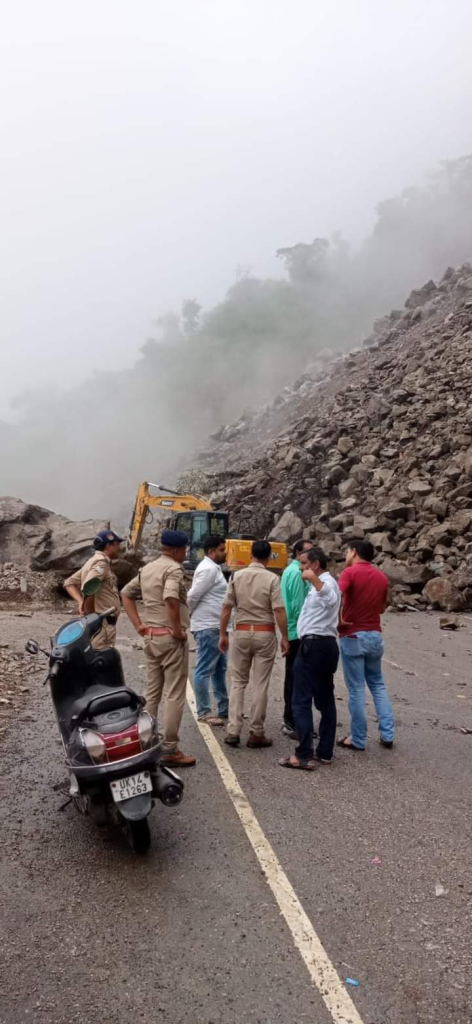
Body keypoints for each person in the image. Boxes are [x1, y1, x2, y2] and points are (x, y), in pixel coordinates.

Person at [121, 528, 196, 768]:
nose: (185, 553)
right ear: (176, 550)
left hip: (151, 638)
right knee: (174, 694)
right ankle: (170, 749)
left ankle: (146, 741)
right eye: (184, 549)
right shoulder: (173, 569)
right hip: (170, 640)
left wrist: (139, 625)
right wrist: (177, 630)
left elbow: (125, 593)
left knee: (152, 692)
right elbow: (171, 598)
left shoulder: (148, 569)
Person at [220, 540, 289, 748]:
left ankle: (233, 729)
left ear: (251, 555)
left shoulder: (236, 576)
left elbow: (226, 607)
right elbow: (278, 609)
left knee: (238, 682)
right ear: (269, 558)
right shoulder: (272, 579)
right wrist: (285, 637)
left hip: (241, 632)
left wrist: (222, 633)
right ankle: (256, 731)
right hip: (264, 633)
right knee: (260, 683)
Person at [279, 546, 340, 771]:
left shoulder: (326, 583)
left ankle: (303, 754)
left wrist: (313, 579)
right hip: (322, 644)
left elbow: (330, 599)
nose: (301, 568)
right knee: (325, 699)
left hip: (315, 645)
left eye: (304, 564)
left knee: (301, 700)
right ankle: (324, 751)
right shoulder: (320, 585)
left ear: (315, 564)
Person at [337, 538, 394, 752]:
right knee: (378, 684)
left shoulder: (349, 573)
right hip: (374, 635)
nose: (346, 556)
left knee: (356, 689)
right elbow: (382, 608)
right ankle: (387, 733)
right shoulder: (381, 576)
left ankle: (358, 738)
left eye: (347, 552)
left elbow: (336, 596)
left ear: (354, 552)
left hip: (352, 635)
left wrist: (338, 620)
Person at [188, 534, 229, 726]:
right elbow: (193, 595)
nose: (225, 553)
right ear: (211, 552)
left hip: (216, 626)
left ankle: (224, 709)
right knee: (204, 669)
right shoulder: (208, 569)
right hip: (208, 626)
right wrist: (189, 615)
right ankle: (204, 711)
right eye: (222, 550)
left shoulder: (213, 568)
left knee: (220, 668)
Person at [63, 529, 123, 649]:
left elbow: (69, 583)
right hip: (103, 625)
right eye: (117, 544)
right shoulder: (101, 563)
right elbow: (88, 587)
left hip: (101, 624)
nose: (119, 548)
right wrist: (92, 617)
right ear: (109, 546)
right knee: (100, 657)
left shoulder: (91, 562)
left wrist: (81, 602)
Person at [280, 538, 314, 736]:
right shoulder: (297, 573)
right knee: (297, 678)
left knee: (293, 676)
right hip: (298, 631)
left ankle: (292, 719)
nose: (312, 554)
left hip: (293, 630)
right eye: (308, 551)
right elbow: (298, 606)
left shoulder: (290, 571)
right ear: (298, 554)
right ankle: (293, 721)